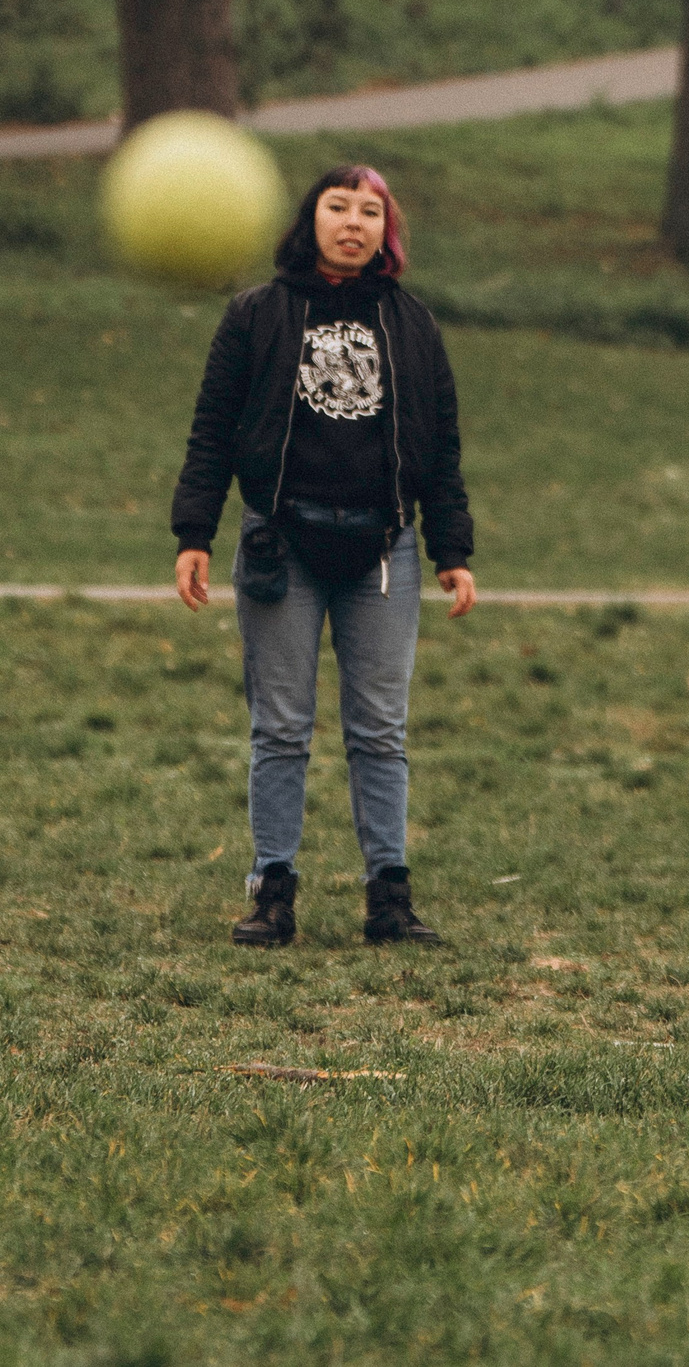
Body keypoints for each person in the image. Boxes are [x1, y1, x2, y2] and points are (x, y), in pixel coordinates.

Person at [168, 164, 479, 948]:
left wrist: (453, 548)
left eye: (369, 211)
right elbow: (212, 428)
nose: (353, 222)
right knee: (280, 728)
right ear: (309, 222)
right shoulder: (258, 315)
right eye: (337, 207)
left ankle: (389, 896)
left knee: (380, 729)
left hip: (384, 549)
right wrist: (194, 533)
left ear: (387, 231)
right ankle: (273, 890)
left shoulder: (412, 324)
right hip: (284, 544)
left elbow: (440, 446)